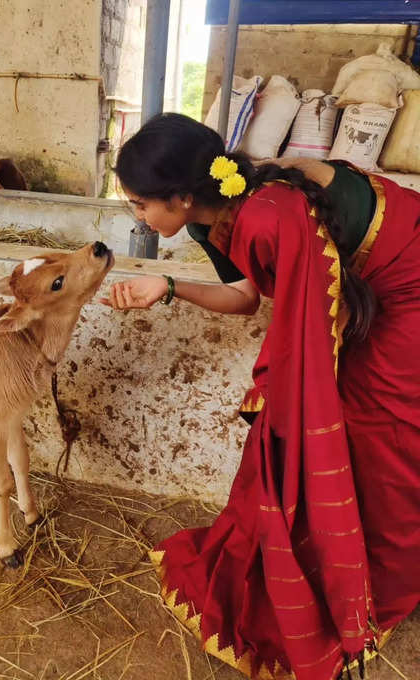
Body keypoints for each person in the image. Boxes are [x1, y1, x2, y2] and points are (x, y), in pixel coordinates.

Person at [101, 113, 420, 680]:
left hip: (408, 280)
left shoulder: (268, 215)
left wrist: (281, 394)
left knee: (381, 435)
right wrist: (168, 287)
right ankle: (341, 564)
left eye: (142, 205)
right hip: (369, 283)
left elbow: (299, 329)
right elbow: (247, 295)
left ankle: (385, 583)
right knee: (328, 427)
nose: (138, 217)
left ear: (179, 196)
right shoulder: (213, 212)